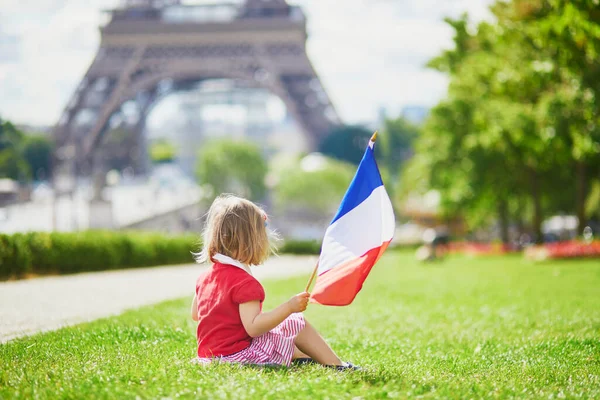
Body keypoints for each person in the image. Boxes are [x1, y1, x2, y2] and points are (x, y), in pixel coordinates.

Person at [190, 194, 359, 370]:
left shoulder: (205, 278)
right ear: (252, 240)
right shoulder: (244, 283)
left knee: (280, 332)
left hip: (210, 357)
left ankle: (301, 355)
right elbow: (254, 328)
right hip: (238, 357)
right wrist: (289, 307)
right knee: (295, 322)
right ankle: (337, 365)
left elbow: (196, 314)